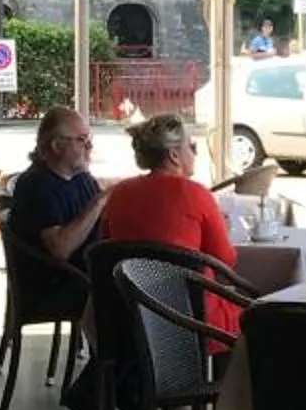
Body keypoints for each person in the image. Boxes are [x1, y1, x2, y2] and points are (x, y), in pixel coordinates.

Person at [96, 113, 243, 338]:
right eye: (191, 146)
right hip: (191, 318)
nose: (194, 153)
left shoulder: (119, 194)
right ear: (174, 155)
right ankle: (218, 373)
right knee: (252, 316)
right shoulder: (196, 195)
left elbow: (107, 246)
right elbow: (225, 260)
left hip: (131, 317)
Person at [4, 105, 105, 273]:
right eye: (81, 140)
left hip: (89, 274)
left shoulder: (81, 178)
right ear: (57, 145)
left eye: (89, 139)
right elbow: (60, 249)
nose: (89, 147)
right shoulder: (35, 184)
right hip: (64, 287)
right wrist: (99, 202)